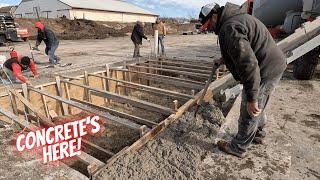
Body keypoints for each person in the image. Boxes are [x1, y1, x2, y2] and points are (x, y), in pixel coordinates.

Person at [199, 3, 287, 158]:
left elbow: (249, 65)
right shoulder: (237, 18)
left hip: (264, 69)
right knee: (260, 103)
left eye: (208, 25)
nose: (210, 29)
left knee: (250, 108)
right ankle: (258, 133)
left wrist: (251, 97)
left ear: (214, 16)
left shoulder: (229, 28)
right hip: (274, 64)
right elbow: (244, 48)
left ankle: (238, 147)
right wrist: (224, 59)